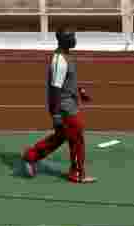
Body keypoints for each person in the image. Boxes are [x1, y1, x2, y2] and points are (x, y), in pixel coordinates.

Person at [22, 27, 96, 184]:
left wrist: (80, 90)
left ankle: (31, 156)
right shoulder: (59, 61)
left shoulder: (67, 56)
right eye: (71, 37)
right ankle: (77, 173)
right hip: (64, 106)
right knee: (77, 137)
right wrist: (56, 114)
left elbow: (67, 80)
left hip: (68, 103)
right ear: (63, 41)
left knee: (61, 136)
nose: (75, 39)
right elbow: (56, 89)